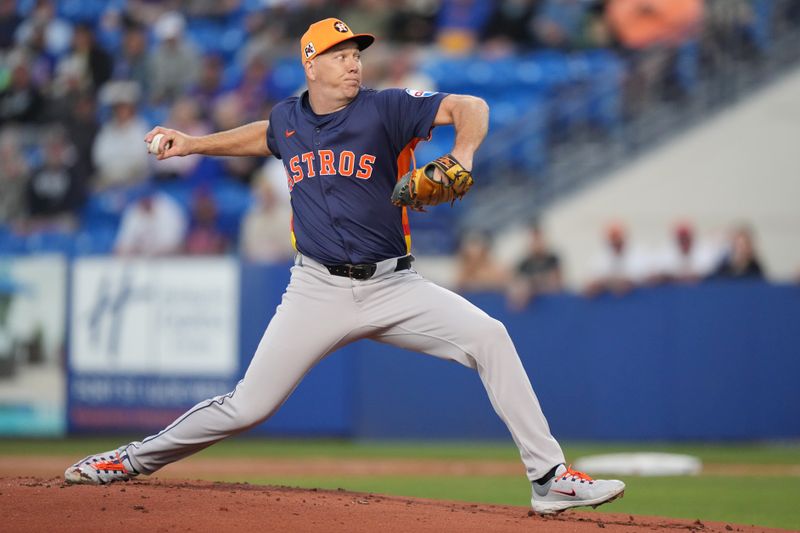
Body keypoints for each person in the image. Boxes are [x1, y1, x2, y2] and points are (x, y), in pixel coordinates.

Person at [64, 18, 625, 515]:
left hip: (394, 284)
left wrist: (464, 154)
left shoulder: (385, 108)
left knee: (491, 337)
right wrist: (192, 144)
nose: (353, 62)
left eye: (356, 53)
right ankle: (130, 460)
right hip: (315, 289)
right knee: (247, 406)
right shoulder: (288, 119)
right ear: (311, 64)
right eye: (340, 54)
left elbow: (470, 107)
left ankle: (549, 479)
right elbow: (263, 136)